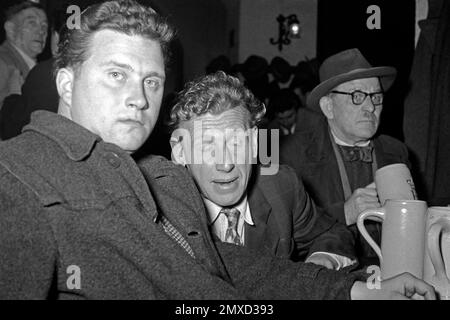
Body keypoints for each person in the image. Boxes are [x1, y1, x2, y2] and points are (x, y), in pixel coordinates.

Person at [0, 1, 434, 300]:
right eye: (117, 73)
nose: (139, 97)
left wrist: (357, 290)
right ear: (66, 83)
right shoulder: (17, 179)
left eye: (151, 80)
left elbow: (228, 268)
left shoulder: (154, 180)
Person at [169, 71, 356, 269]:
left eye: (236, 142)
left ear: (255, 142)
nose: (226, 164)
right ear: (180, 151)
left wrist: (320, 265)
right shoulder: (161, 214)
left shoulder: (282, 185)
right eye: (207, 145)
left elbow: (332, 234)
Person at [280, 48, 411, 267]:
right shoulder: (293, 154)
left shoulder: (397, 151)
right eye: (357, 96)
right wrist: (344, 212)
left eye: (376, 96)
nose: (370, 107)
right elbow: (282, 237)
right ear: (328, 107)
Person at [0, 0, 48, 110]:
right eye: (32, 23)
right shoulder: (3, 63)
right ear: (11, 30)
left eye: (44, 25)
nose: (41, 31)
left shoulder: (35, 67)